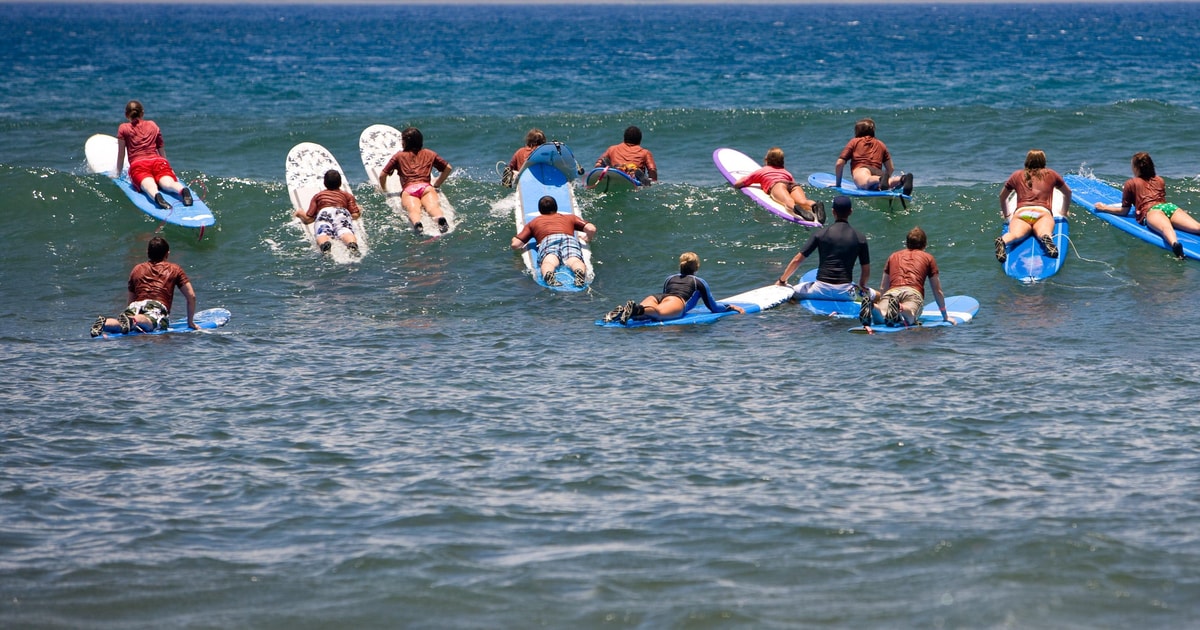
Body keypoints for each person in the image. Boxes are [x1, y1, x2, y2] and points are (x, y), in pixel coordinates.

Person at [1095, 152, 1200, 259]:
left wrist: (1104, 208)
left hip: (1153, 211)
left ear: (1136, 168)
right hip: (1169, 207)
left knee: (1166, 228)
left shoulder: (1130, 183)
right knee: (1197, 227)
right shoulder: (1159, 180)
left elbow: (1124, 211)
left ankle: (1175, 245)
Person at [90, 236, 197, 337]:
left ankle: (105, 323)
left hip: (136, 305)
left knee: (121, 323)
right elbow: (191, 296)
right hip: (156, 306)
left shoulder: (137, 269)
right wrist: (190, 322)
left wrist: (129, 314)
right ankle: (133, 321)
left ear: (148, 253)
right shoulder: (175, 269)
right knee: (151, 322)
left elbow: (131, 301)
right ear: (167, 254)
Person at [603, 252, 746, 324]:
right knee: (658, 314)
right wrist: (730, 307)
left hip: (657, 297)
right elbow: (713, 307)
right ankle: (634, 309)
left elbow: (666, 296)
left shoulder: (669, 278)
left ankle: (624, 311)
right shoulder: (699, 282)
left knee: (646, 314)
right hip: (677, 301)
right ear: (696, 267)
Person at [775, 195, 873, 300]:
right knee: (876, 295)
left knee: (791, 293)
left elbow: (797, 260)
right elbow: (866, 270)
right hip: (846, 292)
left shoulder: (821, 234)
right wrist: (862, 285)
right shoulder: (860, 238)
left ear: (833, 211)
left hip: (819, 290)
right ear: (850, 212)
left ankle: (794, 310)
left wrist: (782, 280)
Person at [860, 226, 951, 327]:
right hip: (912, 292)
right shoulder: (928, 258)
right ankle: (900, 307)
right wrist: (945, 316)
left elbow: (883, 287)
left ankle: (872, 306)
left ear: (907, 243)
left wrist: (883, 300)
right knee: (911, 317)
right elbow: (937, 290)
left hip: (892, 292)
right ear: (925, 244)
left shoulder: (893, 256)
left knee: (882, 317)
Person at [115, 100, 193, 211]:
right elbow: (161, 149)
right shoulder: (153, 125)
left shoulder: (123, 128)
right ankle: (183, 190)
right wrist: (168, 167)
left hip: (139, 165)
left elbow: (121, 154)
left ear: (126, 114)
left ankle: (157, 197)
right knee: (168, 183)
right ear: (142, 113)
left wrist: (117, 174)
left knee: (149, 186)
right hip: (159, 162)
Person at [994, 149, 1070, 263]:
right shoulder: (1051, 174)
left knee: (1015, 235)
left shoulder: (1017, 175)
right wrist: (1064, 211)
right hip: (1042, 213)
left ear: (1027, 161)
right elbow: (1068, 193)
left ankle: (1003, 241)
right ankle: (1046, 239)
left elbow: (1002, 196)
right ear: (1044, 161)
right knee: (1044, 233)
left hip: (1022, 213)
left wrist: (1006, 214)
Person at [379, 127, 452, 235]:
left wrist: (384, 189)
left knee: (413, 210)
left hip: (409, 190)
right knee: (433, 208)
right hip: (426, 187)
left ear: (405, 142)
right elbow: (448, 168)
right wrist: (437, 184)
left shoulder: (399, 156)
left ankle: (417, 224)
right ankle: (440, 219)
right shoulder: (429, 153)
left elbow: (382, 175)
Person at [511, 195, 597, 287]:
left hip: (548, 239)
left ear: (540, 210)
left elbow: (516, 244)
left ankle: (549, 275)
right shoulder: (570, 217)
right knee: (574, 259)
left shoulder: (534, 222)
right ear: (556, 208)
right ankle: (579, 273)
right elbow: (591, 229)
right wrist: (588, 238)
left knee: (550, 260)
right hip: (568, 238)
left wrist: (515, 240)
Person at [733, 147, 826, 223]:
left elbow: (741, 183)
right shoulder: (786, 172)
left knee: (787, 200)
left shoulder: (762, 171)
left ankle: (796, 209)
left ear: (766, 160)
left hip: (778, 185)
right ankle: (815, 205)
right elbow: (791, 182)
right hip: (793, 185)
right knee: (803, 201)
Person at [834, 117, 913, 195]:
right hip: (878, 172)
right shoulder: (881, 144)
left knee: (866, 181)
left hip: (862, 170)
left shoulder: (854, 142)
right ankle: (902, 179)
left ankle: (879, 180)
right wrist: (884, 183)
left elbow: (839, 163)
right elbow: (891, 168)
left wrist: (838, 184)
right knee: (889, 182)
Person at [293, 169, 362, 256]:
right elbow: (355, 215)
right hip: (341, 212)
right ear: (340, 183)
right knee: (345, 231)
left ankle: (324, 244)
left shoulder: (318, 196)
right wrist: (359, 210)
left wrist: (300, 213)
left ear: (324, 183)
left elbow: (309, 218)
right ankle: (351, 243)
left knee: (323, 232)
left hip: (324, 212)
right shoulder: (347, 195)